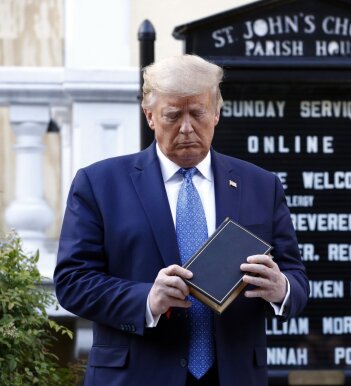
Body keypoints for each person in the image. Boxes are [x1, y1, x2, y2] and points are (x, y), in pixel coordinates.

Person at [54, 54, 309, 386]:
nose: (187, 128)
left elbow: (297, 280)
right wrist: (146, 298)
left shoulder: (261, 185)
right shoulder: (100, 184)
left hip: (233, 375)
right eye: (173, 115)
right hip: (137, 375)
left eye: (198, 113)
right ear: (150, 116)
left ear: (216, 113)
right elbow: (72, 282)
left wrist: (281, 289)